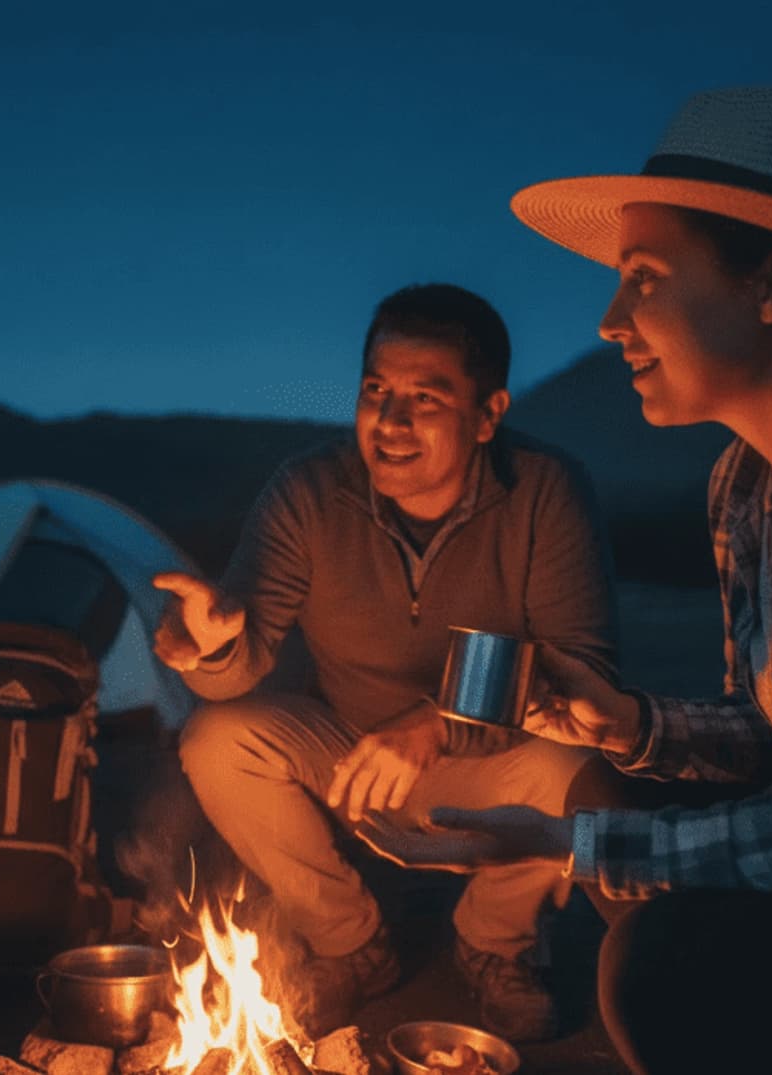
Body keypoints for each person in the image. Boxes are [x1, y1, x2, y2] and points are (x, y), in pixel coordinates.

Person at [353, 86, 772, 1073]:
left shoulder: (548, 492)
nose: (606, 320)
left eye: (643, 278)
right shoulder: (746, 487)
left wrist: (566, 843)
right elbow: (769, 743)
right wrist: (630, 724)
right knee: (664, 954)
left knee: (665, 962)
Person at [152, 282, 620, 1042]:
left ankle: (493, 941)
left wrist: (439, 720)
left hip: (495, 766)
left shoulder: (545, 493)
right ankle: (351, 945)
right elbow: (246, 655)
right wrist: (212, 646)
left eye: (425, 399)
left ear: (488, 414)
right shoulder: (309, 491)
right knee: (217, 736)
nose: (391, 421)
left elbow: (585, 670)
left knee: (582, 754)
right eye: (377, 391)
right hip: (352, 756)